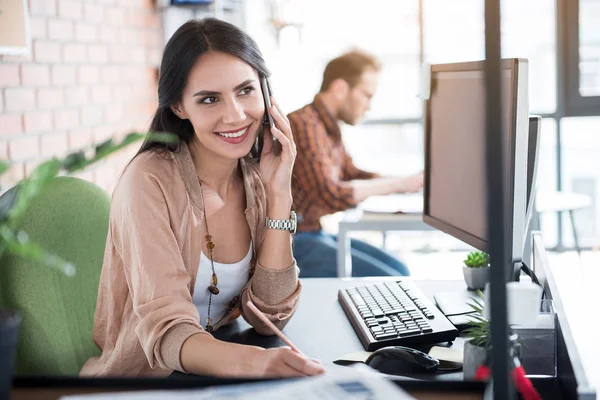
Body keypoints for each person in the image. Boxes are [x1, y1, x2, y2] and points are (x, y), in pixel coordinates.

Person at [80, 18, 324, 378]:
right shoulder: (148, 182)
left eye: (245, 90)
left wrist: (279, 192)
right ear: (179, 107)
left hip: (215, 374)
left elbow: (270, 314)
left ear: (266, 93)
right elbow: (167, 332)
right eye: (209, 99)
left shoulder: (256, 177)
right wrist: (258, 363)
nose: (235, 115)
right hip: (147, 383)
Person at [288, 50, 423, 278]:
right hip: (295, 241)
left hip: (315, 233)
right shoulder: (304, 125)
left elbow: (351, 173)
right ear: (340, 88)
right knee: (394, 278)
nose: (369, 105)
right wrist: (398, 185)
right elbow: (330, 194)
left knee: (400, 268)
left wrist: (411, 182)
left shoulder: (327, 127)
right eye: (366, 95)